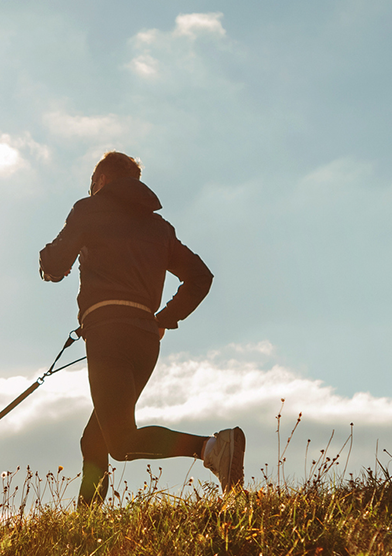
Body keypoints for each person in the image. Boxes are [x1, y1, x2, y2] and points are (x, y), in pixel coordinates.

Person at [39, 151, 245, 505]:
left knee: (119, 442)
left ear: (102, 181)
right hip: (145, 338)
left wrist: (47, 261)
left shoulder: (89, 210)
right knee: (95, 439)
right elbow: (201, 277)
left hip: (108, 333)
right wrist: (164, 319)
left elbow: (56, 264)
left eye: (93, 186)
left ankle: (211, 448)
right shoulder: (159, 228)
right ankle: (86, 525)